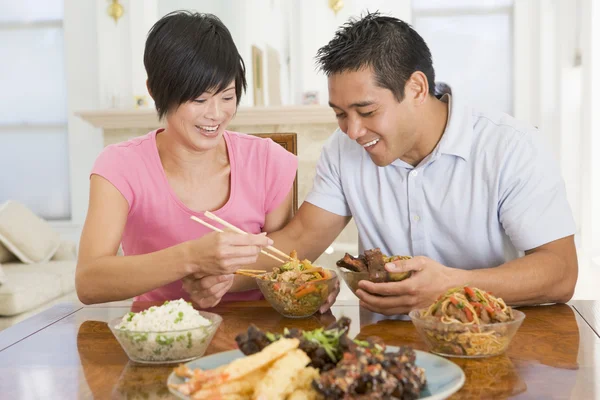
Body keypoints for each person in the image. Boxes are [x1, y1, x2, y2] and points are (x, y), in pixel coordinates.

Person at [187, 12, 578, 315]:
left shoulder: (509, 147)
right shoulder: (342, 150)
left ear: (417, 88)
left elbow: (560, 273)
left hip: (484, 335)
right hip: (385, 342)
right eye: (340, 113)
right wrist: (225, 276)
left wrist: (451, 284)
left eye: (367, 110)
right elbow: (299, 241)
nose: (353, 131)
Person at [75, 11, 298, 308]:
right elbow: (89, 282)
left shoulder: (268, 161)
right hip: (157, 336)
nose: (215, 114)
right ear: (155, 91)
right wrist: (192, 257)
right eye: (199, 99)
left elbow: (284, 265)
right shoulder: (120, 167)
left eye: (227, 96)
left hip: (253, 334)